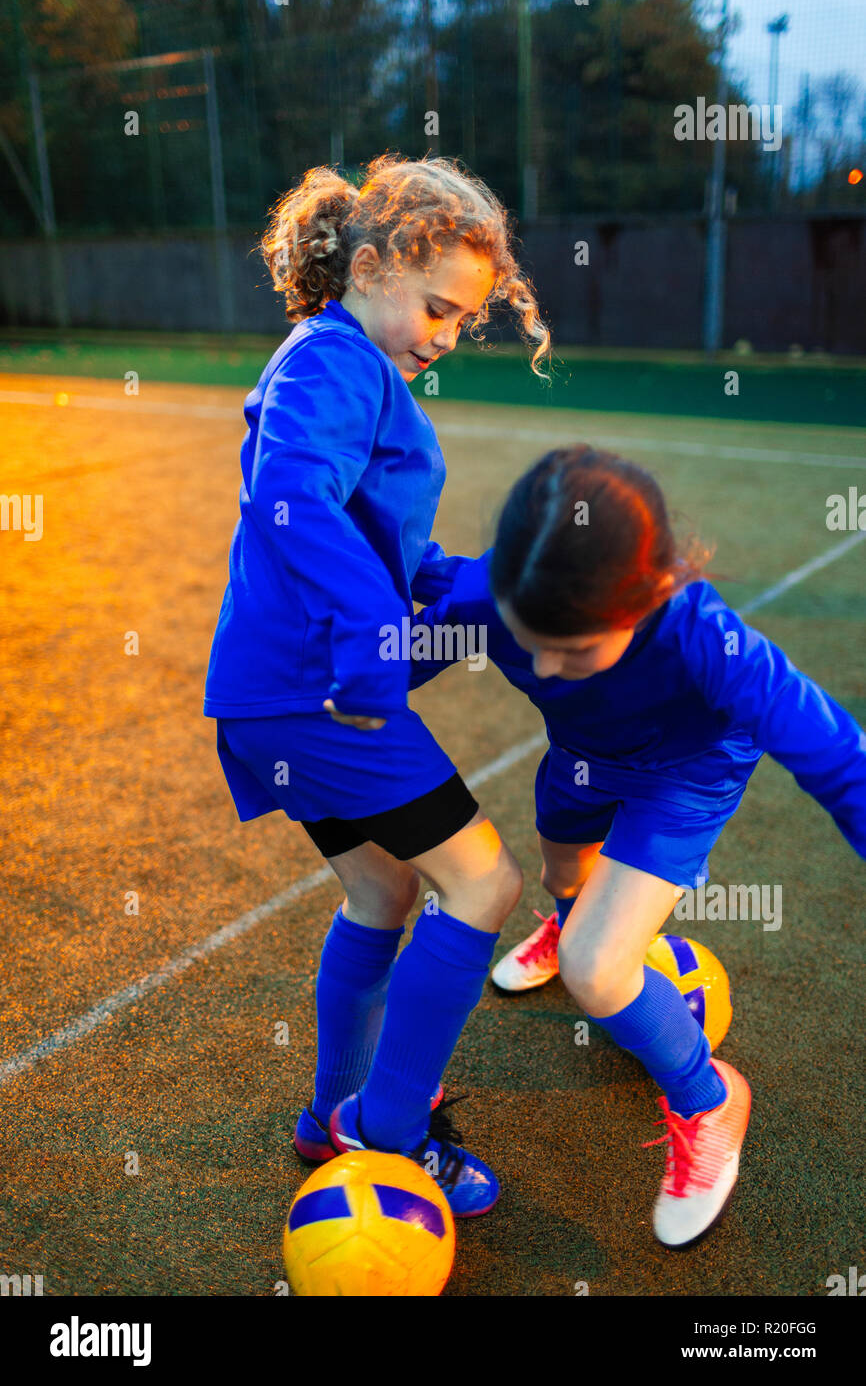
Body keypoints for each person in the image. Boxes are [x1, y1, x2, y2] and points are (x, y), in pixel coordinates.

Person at [202, 152, 551, 1216]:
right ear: (368, 266)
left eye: (462, 321)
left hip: (275, 698)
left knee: (382, 889)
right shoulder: (334, 361)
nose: (444, 337)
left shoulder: (344, 361)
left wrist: (497, 590)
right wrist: (369, 647)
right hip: (319, 697)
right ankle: (393, 1130)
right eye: (436, 308)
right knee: (484, 887)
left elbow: (381, 542)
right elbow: (290, 501)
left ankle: (330, 1118)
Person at [407, 444, 866, 1246]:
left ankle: (707, 1099)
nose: (548, 664)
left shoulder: (707, 640)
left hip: (683, 780)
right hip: (580, 761)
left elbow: (835, 757)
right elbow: (413, 646)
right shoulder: (493, 592)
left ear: (651, 595)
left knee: (596, 966)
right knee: (560, 871)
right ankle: (567, 920)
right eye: (529, 638)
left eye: (575, 650)